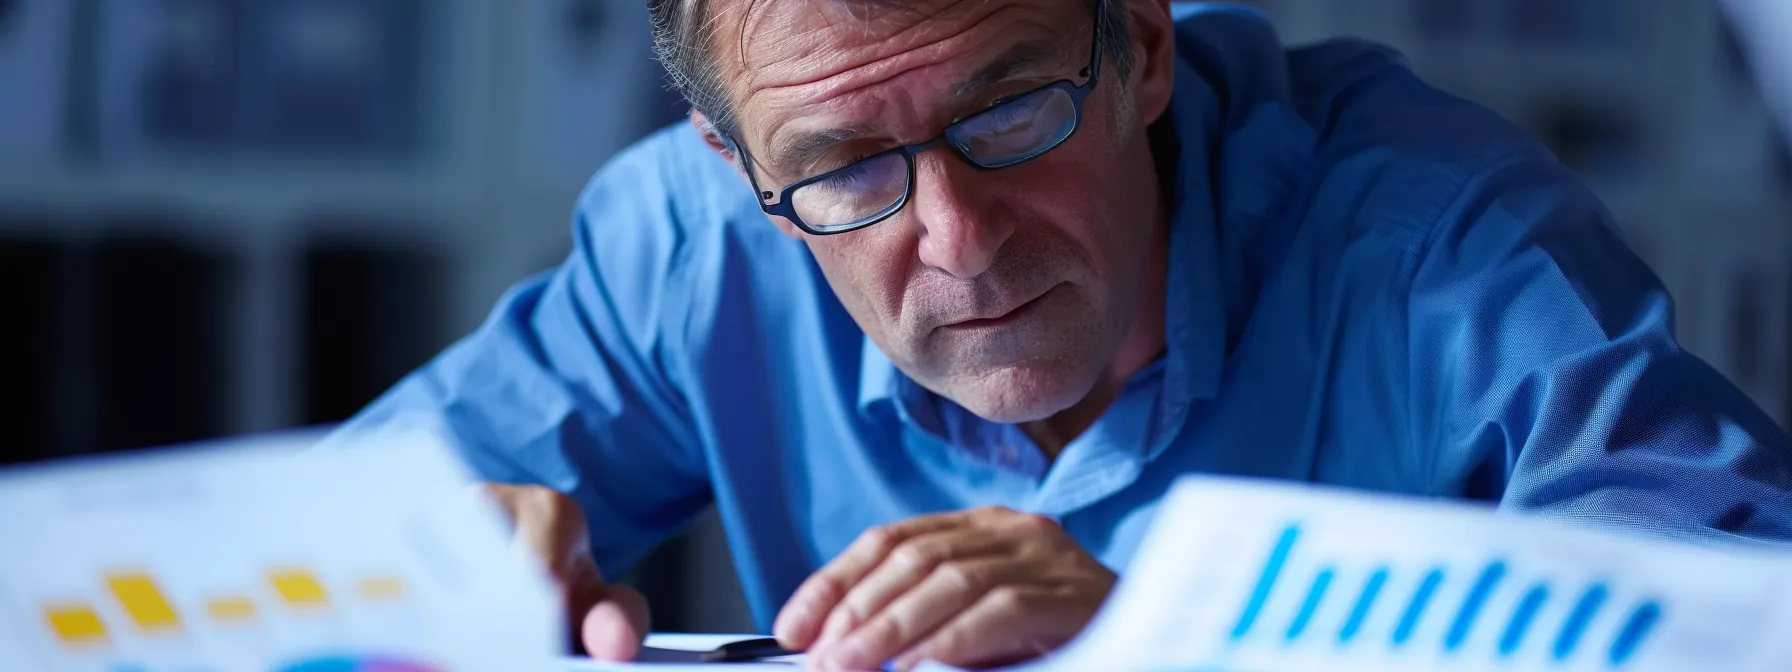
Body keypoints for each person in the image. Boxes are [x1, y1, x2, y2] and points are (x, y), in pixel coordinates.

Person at [329, 0, 1792, 669]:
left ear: (1142, 49)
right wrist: (418, 560)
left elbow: (1738, 617)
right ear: (741, 176)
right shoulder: (686, 241)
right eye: (846, 174)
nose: (956, 239)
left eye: (1009, 112)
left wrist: (1171, 634)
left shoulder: (1436, 243)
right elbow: (270, 565)